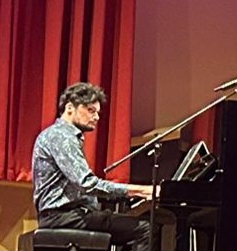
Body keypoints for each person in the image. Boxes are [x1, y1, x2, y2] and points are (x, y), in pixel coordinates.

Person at [30, 82, 155, 250]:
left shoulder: (59, 135)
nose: (96, 117)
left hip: (64, 215)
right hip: (63, 216)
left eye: (97, 112)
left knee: (124, 224)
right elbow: (86, 183)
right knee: (145, 229)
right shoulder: (62, 137)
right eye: (90, 110)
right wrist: (143, 191)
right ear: (69, 108)